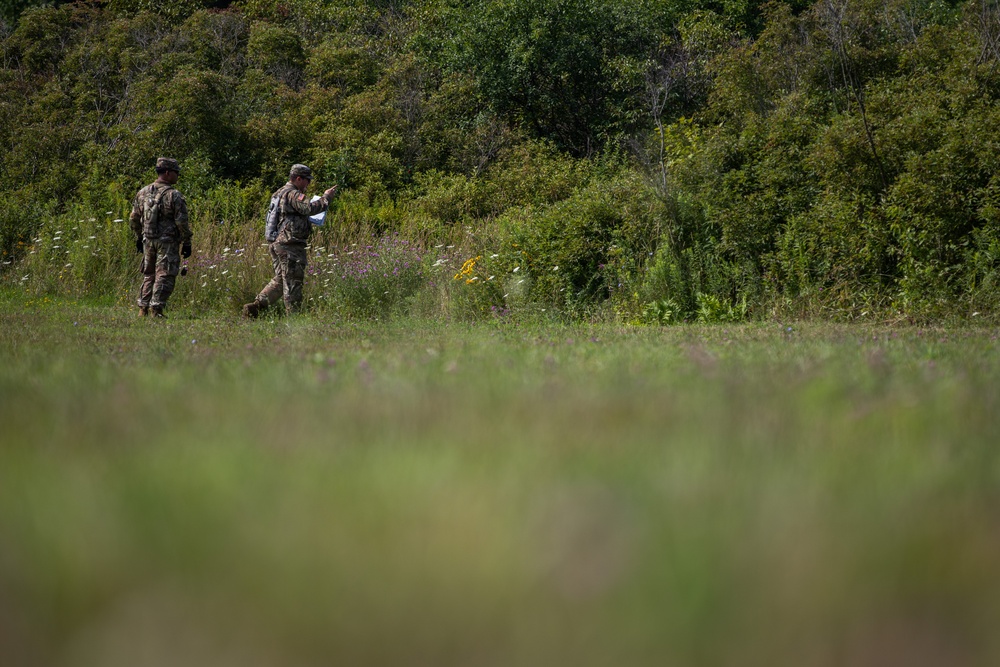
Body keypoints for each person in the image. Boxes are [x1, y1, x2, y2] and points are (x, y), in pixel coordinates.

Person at [243, 164, 337, 318]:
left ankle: (254, 308)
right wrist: (326, 198)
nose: (308, 184)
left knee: (280, 281)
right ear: (298, 178)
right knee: (293, 282)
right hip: (289, 245)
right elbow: (309, 208)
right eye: (307, 180)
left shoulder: (279, 192)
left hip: (277, 243)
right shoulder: (293, 194)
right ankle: (294, 319)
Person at [129, 157, 191, 318]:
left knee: (149, 274)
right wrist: (187, 241)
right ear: (168, 173)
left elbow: (134, 218)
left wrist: (138, 237)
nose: (178, 176)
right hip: (168, 242)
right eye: (176, 172)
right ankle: (156, 310)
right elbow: (181, 221)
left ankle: (143, 308)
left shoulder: (143, 192)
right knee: (165, 274)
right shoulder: (174, 195)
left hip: (148, 240)